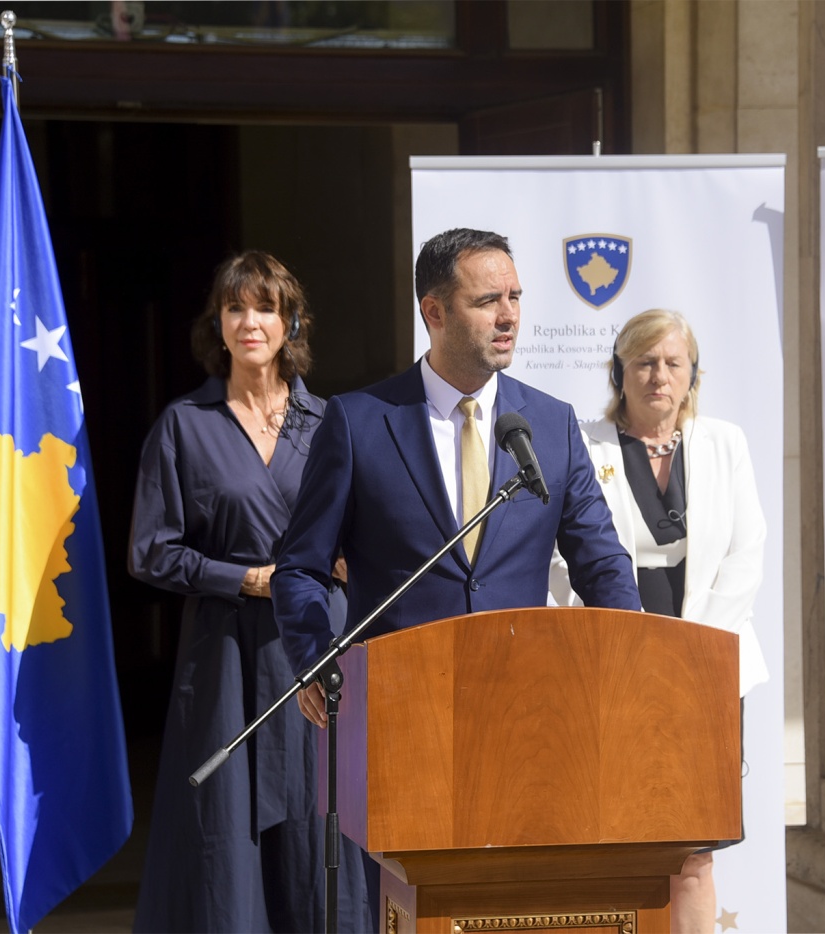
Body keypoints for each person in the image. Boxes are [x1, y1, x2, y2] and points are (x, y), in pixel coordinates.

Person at [272, 227, 642, 931]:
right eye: (487, 301)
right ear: (434, 311)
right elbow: (301, 568)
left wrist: (633, 660)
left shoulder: (551, 425)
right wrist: (314, 657)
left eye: (515, 298)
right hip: (403, 718)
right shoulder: (360, 421)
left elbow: (601, 564)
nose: (509, 316)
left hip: (529, 719)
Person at [129, 251, 341, 933]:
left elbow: (365, 531)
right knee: (224, 833)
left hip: (312, 647)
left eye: (266, 308)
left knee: (317, 826)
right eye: (235, 308)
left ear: (290, 322)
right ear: (217, 325)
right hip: (224, 654)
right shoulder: (184, 424)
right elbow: (150, 551)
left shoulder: (328, 423)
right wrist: (244, 578)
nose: (251, 322)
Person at [550, 308, 769, 934]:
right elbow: (561, 558)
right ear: (618, 371)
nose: (659, 376)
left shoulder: (725, 443)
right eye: (644, 362)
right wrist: (627, 642)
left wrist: (694, 652)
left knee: (694, 850)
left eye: (674, 363)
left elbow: (746, 555)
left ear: (693, 374)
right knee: (618, 837)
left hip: (708, 667)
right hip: (613, 659)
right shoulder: (582, 442)